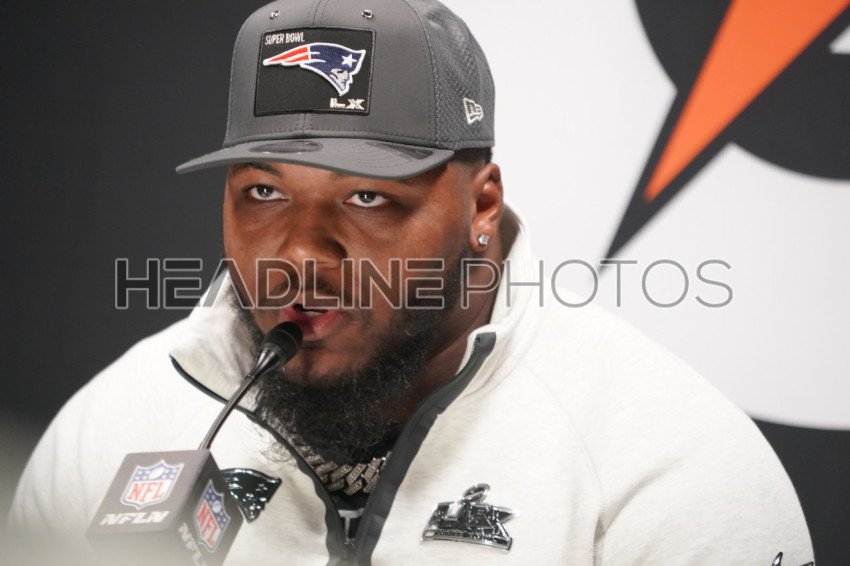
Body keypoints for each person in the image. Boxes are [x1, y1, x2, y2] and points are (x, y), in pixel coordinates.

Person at [9, 0, 814, 564]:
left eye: (367, 198)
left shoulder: (667, 469)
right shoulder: (113, 430)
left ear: (482, 206)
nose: (301, 255)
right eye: (264, 192)